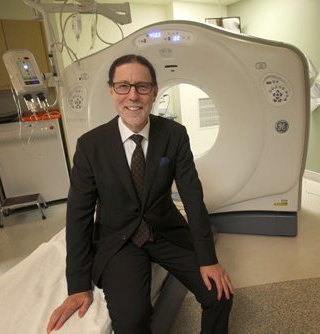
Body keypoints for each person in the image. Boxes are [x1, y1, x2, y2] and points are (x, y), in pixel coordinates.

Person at [47, 54, 233, 333]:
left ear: (154, 92)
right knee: (133, 320)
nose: (132, 95)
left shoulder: (174, 135)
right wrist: (77, 286)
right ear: (112, 91)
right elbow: (78, 217)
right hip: (120, 240)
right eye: (123, 86)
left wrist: (209, 260)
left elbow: (193, 199)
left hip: (166, 233)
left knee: (220, 294)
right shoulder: (90, 146)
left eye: (142, 86)